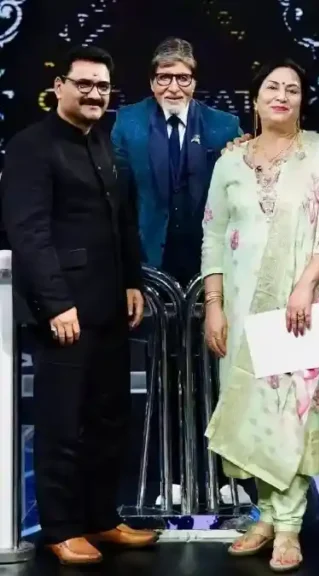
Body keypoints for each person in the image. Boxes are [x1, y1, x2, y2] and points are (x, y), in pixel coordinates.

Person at [199, 58, 319, 572]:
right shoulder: (229, 162)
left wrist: (306, 284)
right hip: (242, 309)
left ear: (301, 101)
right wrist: (214, 307)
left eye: (292, 89)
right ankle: (266, 515)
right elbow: (211, 235)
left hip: (299, 308)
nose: (282, 96)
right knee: (250, 418)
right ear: (254, 99)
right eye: (272, 87)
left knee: (290, 418)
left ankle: (289, 526)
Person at [0, 45, 157, 565]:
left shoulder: (105, 144)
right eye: (85, 84)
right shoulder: (31, 146)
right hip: (63, 315)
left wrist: (133, 281)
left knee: (110, 420)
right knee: (61, 424)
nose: (94, 94)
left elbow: (123, 224)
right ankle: (62, 528)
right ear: (60, 86)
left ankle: (101, 519)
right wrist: (55, 303)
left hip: (112, 309)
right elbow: (29, 233)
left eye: (103, 86)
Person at [112, 37, 242, 286]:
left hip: (209, 261)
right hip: (147, 260)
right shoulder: (128, 123)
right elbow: (119, 200)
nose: (173, 88)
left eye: (183, 78)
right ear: (152, 82)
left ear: (194, 83)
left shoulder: (224, 126)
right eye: (164, 77)